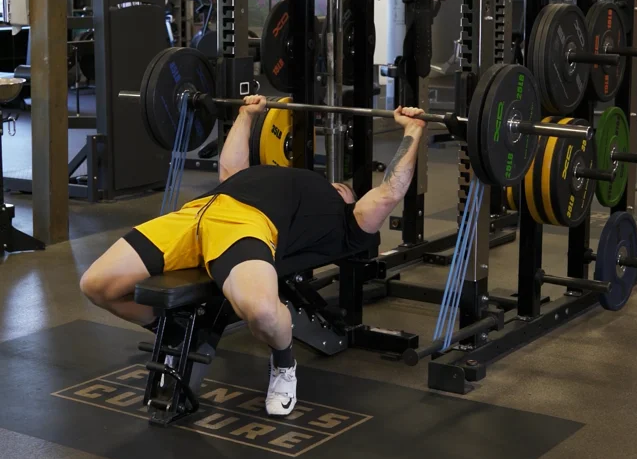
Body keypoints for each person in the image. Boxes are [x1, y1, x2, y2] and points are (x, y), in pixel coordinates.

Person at [80, 95, 426, 416]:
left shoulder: (347, 219)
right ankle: (168, 328)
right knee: (96, 285)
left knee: (261, 311)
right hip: (197, 212)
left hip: (246, 226)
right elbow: (230, 169)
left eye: (346, 187)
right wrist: (247, 114)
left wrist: (413, 131)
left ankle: (284, 365)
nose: (340, 184)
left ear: (350, 198)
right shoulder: (269, 172)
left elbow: (389, 190)